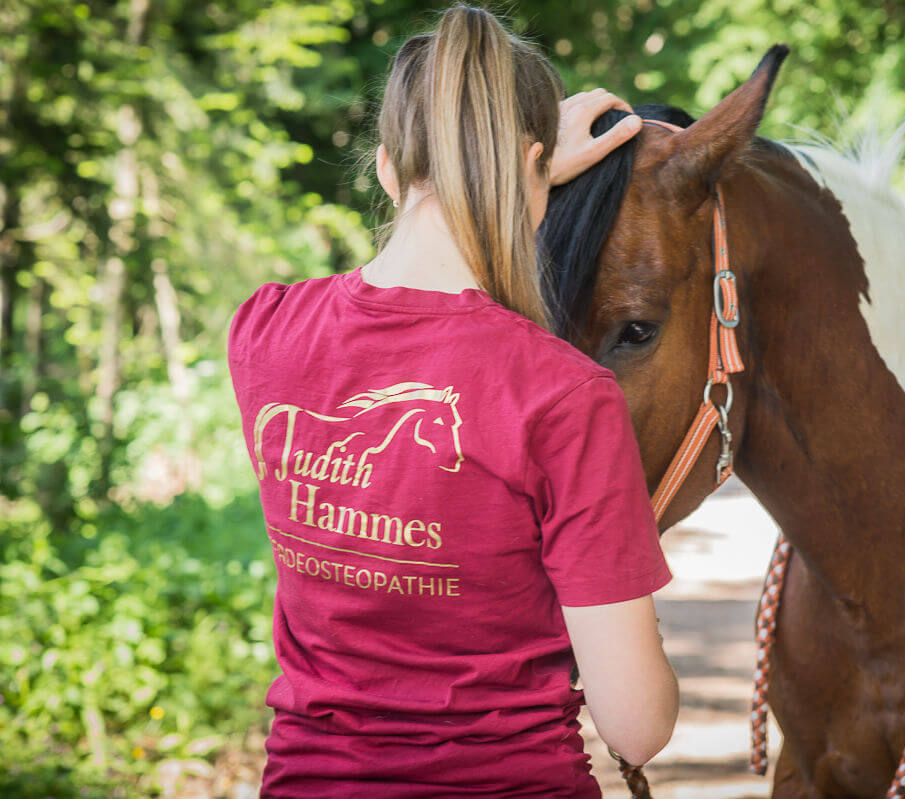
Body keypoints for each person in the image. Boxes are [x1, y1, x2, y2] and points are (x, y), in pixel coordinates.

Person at [227, 5, 678, 797]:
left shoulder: (264, 329)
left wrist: (518, 172)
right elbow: (636, 724)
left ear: (385, 169)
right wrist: (527, 177)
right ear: (536, 165)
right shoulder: (563, 394)